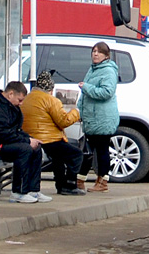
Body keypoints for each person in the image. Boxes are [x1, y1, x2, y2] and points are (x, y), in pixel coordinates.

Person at [21, 71, 85, 196]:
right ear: (50, 88)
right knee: (76, 154)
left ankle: (61, 185)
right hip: (48, 139)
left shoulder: (27, 98)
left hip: (29, 137)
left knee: (59, 157)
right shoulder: (51, 100)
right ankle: (70, 185)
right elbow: (64, 121)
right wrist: (76, 112)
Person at [0, 81, 49, 204]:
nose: (21, 103)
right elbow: (3, 133)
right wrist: (27, 140)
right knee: (25, 149)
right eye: (20, 100)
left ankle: (33, 190)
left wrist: (30, 139)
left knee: (36, 148)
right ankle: (18, 192)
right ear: (10, 94)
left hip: (6, 141)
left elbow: (16, 130)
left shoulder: (11, 107)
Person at [77, 42, 120, 192]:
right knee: (89, 150)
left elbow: (107, 92)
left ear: (106, 55)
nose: (95, 54)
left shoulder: (108, 71)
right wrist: (79, 110)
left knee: (100, 150)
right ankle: (82, 180)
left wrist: (86, 87)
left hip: (102, 118)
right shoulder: (93, 69)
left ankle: (102, 182)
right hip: (92, 117)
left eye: (99, 52)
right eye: (94, 51)